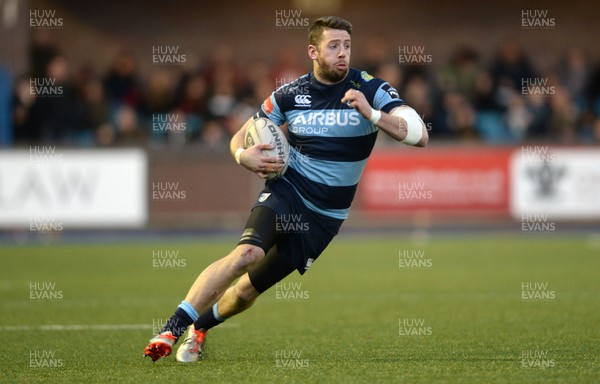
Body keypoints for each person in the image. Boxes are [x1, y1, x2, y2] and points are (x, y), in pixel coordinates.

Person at [144, 15, 428, 363]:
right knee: (246, 256)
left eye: (347, 46)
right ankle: (171, 328)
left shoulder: (370, 89)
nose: (343, 53)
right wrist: (241, 155)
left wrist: (372, 114)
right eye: (334, 46)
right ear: (313, 51)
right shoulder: (291, 94)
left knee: (247, 291)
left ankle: (199, 328)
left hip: (324, 218)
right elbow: (241, 135)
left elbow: (418, 133)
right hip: (287, 191)